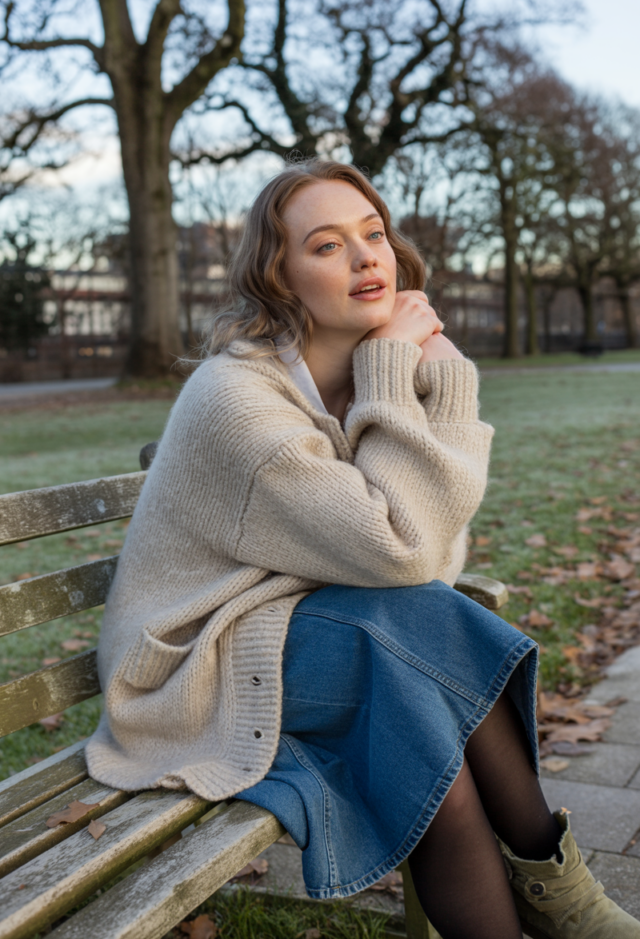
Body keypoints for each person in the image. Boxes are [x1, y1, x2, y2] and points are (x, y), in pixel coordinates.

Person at [87, 160, 640, 939]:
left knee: (414, 689)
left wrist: (423, 381)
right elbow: (406, 554)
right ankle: (563, 899)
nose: (366, 256)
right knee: (410, 669)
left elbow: (430, 566)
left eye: (373, 234)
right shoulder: (236, 400)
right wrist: (423, 380)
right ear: (278, 276)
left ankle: (554, 893)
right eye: (327, 245)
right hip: (197, 662)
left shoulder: (358, 384)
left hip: (311, 625)